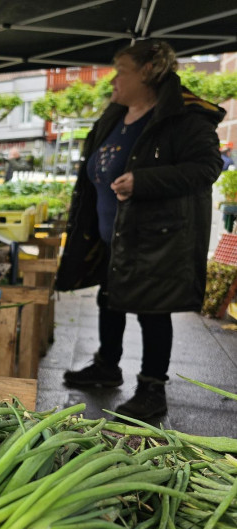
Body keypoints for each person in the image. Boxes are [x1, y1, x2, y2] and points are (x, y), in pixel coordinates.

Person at [56, 39, 225, 421]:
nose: (113, 79)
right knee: (109, 297)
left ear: (148, 70)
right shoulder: (116, 114)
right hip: (110, 232)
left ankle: (152, 388)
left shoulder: (183, 117)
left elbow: (207, 167)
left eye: (121, 71)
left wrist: (145, 182)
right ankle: (106, 365)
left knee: (153, 308)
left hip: (155, 236)